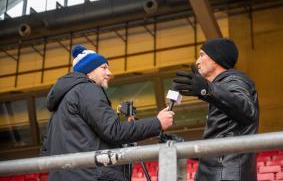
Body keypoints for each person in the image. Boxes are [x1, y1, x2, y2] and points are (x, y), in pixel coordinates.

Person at [42, 45, 174, 181]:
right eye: (104, 67)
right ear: (88, 71)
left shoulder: (61, 103)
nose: (109, 73)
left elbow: (46, 151)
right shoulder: (87, 89)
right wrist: (157, 123)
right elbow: (113, 131)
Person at [173, 38, 259, 181]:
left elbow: (247, 110)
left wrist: (207, 89)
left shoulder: (234, 81)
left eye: (201, 55)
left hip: (226, 175)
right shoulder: (221, 87)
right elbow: (216, 147)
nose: (197, 62)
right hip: (217, 174)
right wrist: (181, 145)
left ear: (216, 58)